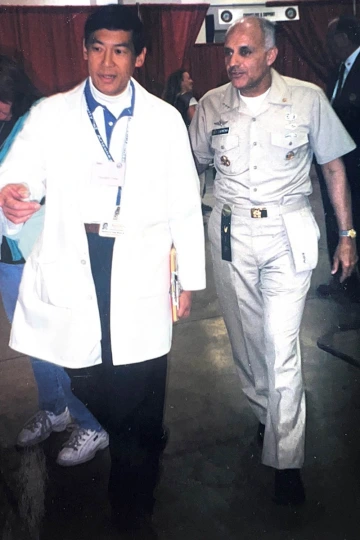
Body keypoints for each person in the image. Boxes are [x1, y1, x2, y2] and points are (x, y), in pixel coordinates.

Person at [0, 4, 205, 534]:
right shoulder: (51, 113)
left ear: (138, 56)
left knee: (141, 372)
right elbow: (21, 171)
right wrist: (15, 194)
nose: (106, 62)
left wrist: (189, 281)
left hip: (140, 259)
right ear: (84, 49)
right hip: (76, 255)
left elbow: (185, 203)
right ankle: (134, 434)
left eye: (119, 50)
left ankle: (132, 507)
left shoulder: (162, 119)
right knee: (86, 369)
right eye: (97, 48)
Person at [189, 16, 357, 505]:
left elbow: (333, 166)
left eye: (244, 52)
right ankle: (266, 415)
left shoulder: (307, 99)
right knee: (245, 343)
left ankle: (286, 459)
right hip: (229, 230)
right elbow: (191, 165)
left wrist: (346, 234)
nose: (233, 62)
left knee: (282, 346)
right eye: (228, 53)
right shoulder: (214, 104)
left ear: (270, 55)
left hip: (288, 230)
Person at [0, 55, 107, 467]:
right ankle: (55, 409)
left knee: (61, 343)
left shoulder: (41, 122)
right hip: (8, 255)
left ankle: (92, 423)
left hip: (40, 250)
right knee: (31, 341)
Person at [316, 15, 360, 302]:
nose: (328, 44)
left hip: (356, 164)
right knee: (337, 217)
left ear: (345, 37)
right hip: (336, 165)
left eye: (331, 38)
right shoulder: (336, 73)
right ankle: (343, 280)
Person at [164, 69, 212, 215]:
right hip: (191, 146)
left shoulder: (169, 100)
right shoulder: (189, 99)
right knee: (198, 179)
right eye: (188, 78)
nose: (191, 81)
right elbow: (196, 121)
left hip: (175, 145)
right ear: (181, 82)